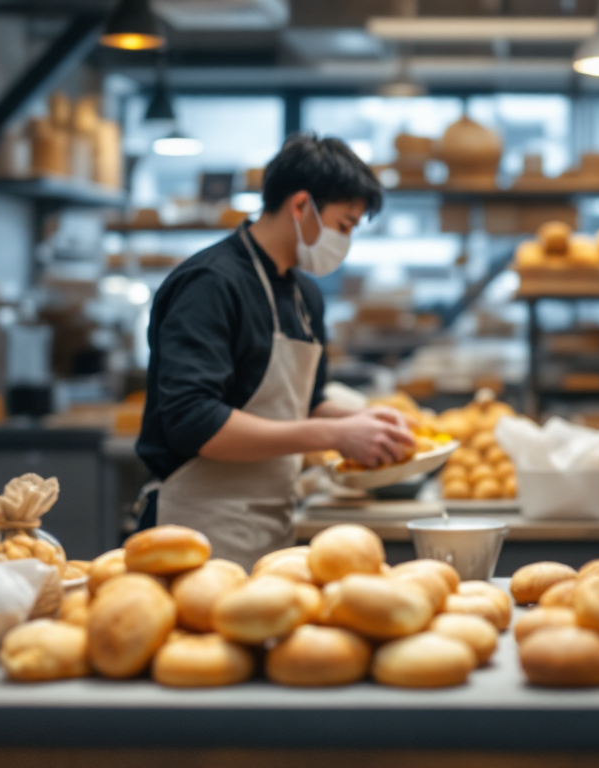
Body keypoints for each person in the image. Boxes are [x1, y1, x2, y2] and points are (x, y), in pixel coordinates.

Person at [135, 134, 414, 568]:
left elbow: (308, 403)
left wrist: (366, 422)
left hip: (271, 528)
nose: (346, 242)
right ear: (300, 205)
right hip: (192, 532)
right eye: (344, 225)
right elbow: (193, 422)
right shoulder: (210, 284)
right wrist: (335, 436)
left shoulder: (304, 294)